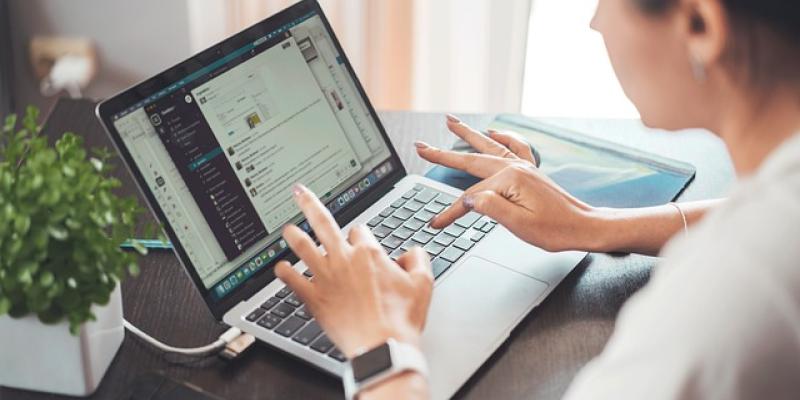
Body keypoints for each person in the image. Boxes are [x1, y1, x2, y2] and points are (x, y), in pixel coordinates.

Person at [275, 0, 800, 398]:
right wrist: (595, 224)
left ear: (701, 26)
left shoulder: (726, 297)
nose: (595, 23)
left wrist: (379, 347)